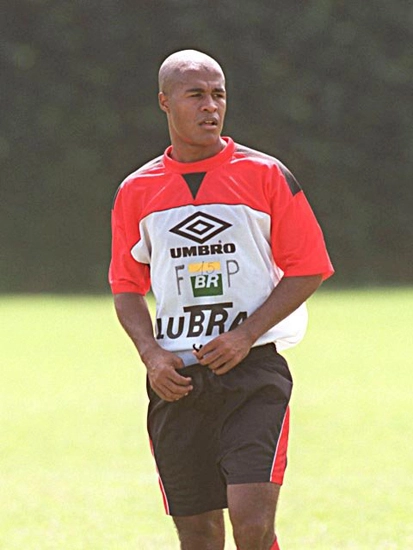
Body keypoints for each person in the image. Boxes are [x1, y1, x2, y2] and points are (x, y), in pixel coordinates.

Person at [109, 49, 334, 550]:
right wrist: (152, 355)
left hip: (252, 374)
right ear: (165, 103)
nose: (211, 106)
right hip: (178, 384)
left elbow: (309, 267)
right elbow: (126, 286)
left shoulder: (267, 175)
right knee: (199, 534)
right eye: (196, 95)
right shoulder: (135, 191)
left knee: (252, 526)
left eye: (219, 95)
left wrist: (245, 334)